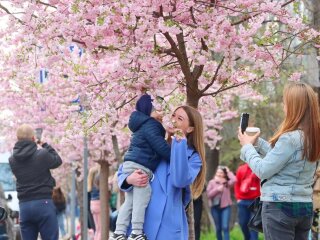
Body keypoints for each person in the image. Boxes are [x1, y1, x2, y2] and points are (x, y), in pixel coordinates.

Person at [238, 82, 320, 240]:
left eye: (285, 103)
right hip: (304, 206)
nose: (284, 107)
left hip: (280, 206)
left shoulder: (289, 138)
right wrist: (256, 143)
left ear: (294, 107)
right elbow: (284, 158)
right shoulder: (313, 137)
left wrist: (247, 147)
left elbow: (263, 169)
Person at [115, 105, 206, 240]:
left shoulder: (193, 157)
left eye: (180, 119)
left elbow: (179, 180)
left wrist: (179, 143)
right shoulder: (153, 143)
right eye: (173, 116)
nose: (173, 120)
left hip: (168, 226)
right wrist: (128, 179)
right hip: (141, 222)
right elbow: (127, 166)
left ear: (190, 129)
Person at [110, 94, 171, 240]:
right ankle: (136, 232)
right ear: (150, 110)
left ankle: (118, 232)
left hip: (131, 164)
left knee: (129, 202)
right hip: (140, 165)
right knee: (143, 196)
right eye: (160, 109)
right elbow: (160, 146)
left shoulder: (142, 124)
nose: (163, 113)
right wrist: (174, 156)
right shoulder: (151, 125)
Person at [9, 124, 62, 240]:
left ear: (17, 139)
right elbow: (58, 161)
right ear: (33, 138)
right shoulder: (42, 155)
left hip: (24, 206)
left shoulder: (12, 160)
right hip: (44, 204)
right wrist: (44, 144)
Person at [206, 166, 236, 240]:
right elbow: (208, 195)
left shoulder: (227, 182)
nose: (219, 174)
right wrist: (217, 190)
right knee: (218, 228)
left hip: (226, 207)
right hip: (215, 207)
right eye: (218, 172)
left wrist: (228, 171)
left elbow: (234, 180)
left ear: (224, 174)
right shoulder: (212, 182)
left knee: (225, 227)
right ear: (216, 173)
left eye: (221, 172)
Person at [234, 163, 260, 240]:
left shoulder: (260, 168)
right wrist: (238, 198)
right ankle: (247, 237)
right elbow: (237, 183)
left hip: (256, 200)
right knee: (243, 223)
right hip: (243, 201)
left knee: (254, 224)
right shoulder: (241, 169)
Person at [88, 166, 100, 240]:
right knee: (101, 228)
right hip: (99, 204)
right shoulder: (98, 185)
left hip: (92, 204)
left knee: (97, 228)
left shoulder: (90, 185)